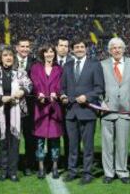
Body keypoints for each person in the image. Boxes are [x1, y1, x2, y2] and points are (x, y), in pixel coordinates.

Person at [60, 37, 105, 185]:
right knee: (72, 146)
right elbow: (62, 88)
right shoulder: (67, 65)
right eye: (76, 47)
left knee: (88, 146)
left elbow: (99, 88)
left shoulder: (95, 64)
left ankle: (87, 173)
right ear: (72, 50)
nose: (79, 49)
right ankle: (72, 171)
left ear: (86, 48)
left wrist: (87, 96)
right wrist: (63, 96)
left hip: (87, 111)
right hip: (71, 111)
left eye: (81, 47)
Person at [0, 46, 32, 182]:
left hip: (17, 111)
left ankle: (13, 172)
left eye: (10, 55)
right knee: (3, 142)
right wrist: (0, 98)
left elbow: (29, 85)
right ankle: (3, 171)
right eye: (5, 55)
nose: (8, 57)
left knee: (15, 143)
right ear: (0, 57)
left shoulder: (20, 72)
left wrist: (22, 91)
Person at [100, 37, 130, 184]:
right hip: (107, 110)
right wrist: (101, 102)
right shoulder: (102, 65)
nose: (116, 50)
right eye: (113, 48)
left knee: (122, 144)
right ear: (109, 50)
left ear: (124, 49)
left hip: (125, 111)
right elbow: (98, 87)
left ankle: (122, 172)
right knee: (107, 144)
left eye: (119, 47)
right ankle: (109, 173)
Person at [30, 44, 63, 179]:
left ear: (54, 54)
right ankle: (41, 167)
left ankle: (55, 167)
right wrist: (40, 93)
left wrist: (56, 92)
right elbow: (34, 82)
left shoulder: (59, 68)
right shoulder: (35, 68)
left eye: (51, 52)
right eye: (46, 52)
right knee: (39, 140)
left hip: (55, 109)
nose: (49, 54)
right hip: (41, 108)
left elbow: (60, 83)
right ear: (42, 54)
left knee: (55, 140)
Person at [15, 37, 36, 175]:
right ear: (17, 48)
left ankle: (29, 164)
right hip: (12, 105)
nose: (24, 49)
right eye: (22, 46)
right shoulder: (9, 60)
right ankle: (14, 164)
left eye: (27, 46)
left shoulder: (35, 63)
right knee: (13, 137)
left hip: (30, 106)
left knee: (29, 136)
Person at [55, 36, 74, 167]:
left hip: (69, 104)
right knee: (54, 134)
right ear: (56, 47)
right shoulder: (49, 60)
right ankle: (53, 160)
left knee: (69, 135)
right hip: (53, 104)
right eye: (61, 45)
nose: (63, 48)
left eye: (66, 46)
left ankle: (69, 162)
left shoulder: (73, 62)